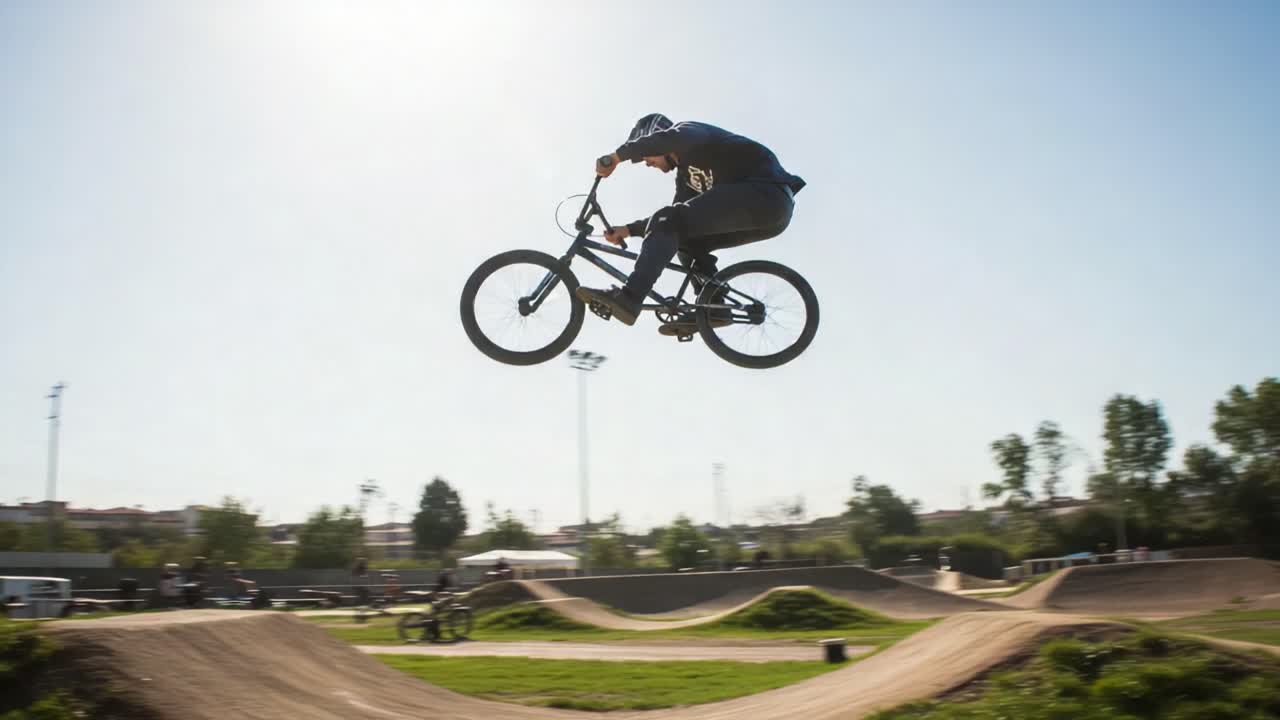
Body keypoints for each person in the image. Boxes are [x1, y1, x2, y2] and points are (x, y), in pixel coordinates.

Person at [577, 114, 806, 335]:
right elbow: (668, 224)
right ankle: (714, 308)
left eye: (646, 157)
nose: (646, 163)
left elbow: (669, 140)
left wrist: (617, 156)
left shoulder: (688, 132)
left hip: (767, 194)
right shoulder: (687, 179)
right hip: (767, 217)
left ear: (657, 139)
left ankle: (629, 297)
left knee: (669, 220)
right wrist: (628, 230)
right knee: (681, 237)